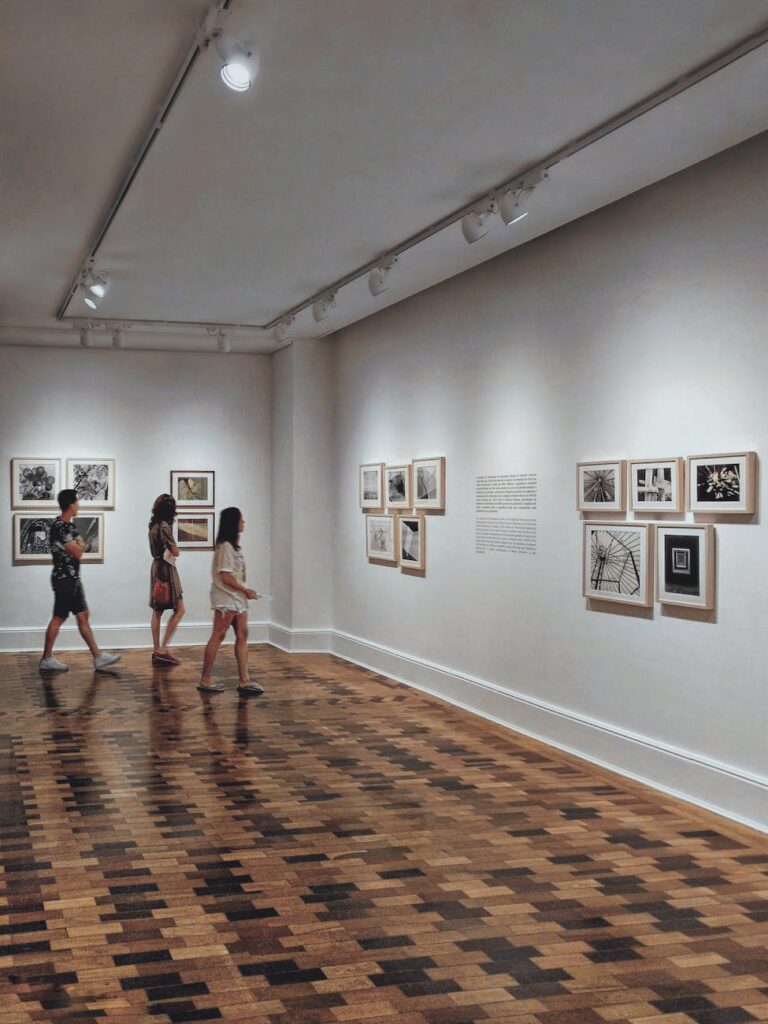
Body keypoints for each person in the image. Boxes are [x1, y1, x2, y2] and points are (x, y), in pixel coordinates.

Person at [39, 489, 121, 673]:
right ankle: (46, 658)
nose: (78, 506)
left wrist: (77, 545)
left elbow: (80, 547)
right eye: (76, 503)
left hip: (74, 579)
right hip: (63, 579)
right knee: (59, 617)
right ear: (70, 505)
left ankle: (98, 657)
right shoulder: (59, 526)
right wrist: (77, 545)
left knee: (83, 615)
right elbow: (78, 550)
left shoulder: (71, 527)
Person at [198, 507, 263, 696]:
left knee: (242, 634)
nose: (244, 523)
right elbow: (225, 576)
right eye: (241, 520)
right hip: (227, 598)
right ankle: (205, 678)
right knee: (218, 635)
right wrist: (245, 590)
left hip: (237, 599)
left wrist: (244, 593)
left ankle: (245, 680)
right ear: (233, 523)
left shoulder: (233, 547)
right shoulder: (226, 546)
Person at [148, 493, 186, 666]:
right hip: (166, 568)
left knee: (157, 610)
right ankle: (162, 648)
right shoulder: (164, 526)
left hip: (156, 566)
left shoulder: (153, 525)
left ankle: (157, 649)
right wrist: (175, 549)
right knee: (179, 609)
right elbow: (175, 551)